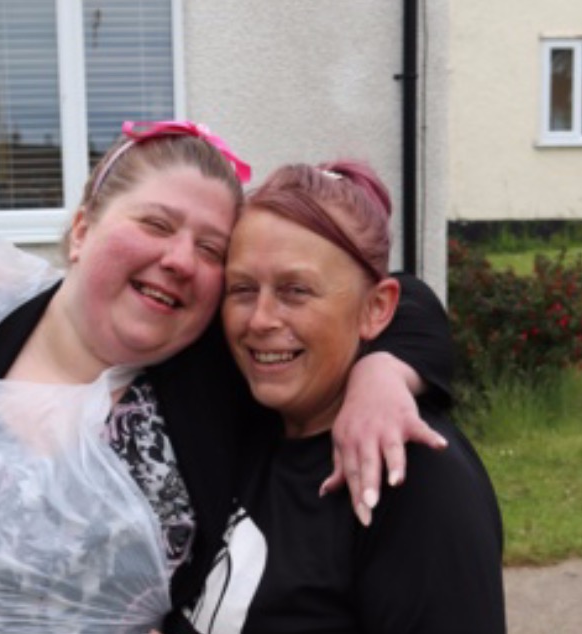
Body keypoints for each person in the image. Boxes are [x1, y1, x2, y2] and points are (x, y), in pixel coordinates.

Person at [0, 123, 453, 633]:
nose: (179, 259)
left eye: (210, 249)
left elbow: (393, 300)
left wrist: (383, 373)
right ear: (83, 229)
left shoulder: (210, 382)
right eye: (155, 223)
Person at [178, 160, 506, 633]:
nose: (260, 319)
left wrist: (384, 369)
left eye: (296, 290)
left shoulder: (411, 479)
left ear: (377, 309)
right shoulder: (247, 419)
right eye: (242, 289)